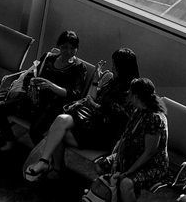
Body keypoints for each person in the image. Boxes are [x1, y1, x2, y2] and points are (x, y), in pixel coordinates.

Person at [23, 48, 140, 181]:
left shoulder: (133, 91)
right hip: (91, 122)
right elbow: (93, 97)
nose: (113, 68)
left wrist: (95, 106)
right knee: (61, 120)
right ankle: (45, 162)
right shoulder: (114, 81)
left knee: (57, 133)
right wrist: (96, 80)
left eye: (115, 66)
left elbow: (121, 119)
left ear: (123, 68)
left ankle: (56, 167)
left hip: (104, 133)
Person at [95, 77, 170, 202]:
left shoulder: (155, 119)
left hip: (151, 165)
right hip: (130, 156)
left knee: (126, 182)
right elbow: (125, 137)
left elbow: (149, 153)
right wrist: (115, 156)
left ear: (137, 96)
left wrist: (128, 171)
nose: (128, 94)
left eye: (131, 92)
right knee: (101, 165)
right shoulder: (138, 111)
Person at [0, 30, 88, 151]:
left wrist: (51, 85)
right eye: (65, 47)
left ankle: (43, 157)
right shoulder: (49, 58)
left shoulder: (79, 68)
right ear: (58, 46)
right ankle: (9, 139)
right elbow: (31, 75)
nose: (68, 51)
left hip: (53, 106)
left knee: (35, 131)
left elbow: (74, 94)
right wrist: (30, 86)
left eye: (72, 48)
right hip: (35, 99)